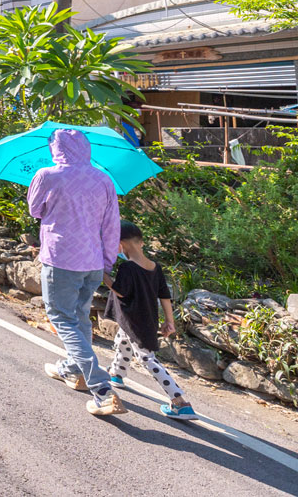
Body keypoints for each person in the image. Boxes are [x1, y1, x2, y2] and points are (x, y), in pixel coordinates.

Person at [27, 128, 124, 416]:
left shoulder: (47, 175)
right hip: (93, 260)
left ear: (57, 148)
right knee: (80, 315)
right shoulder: (103, 179)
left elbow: (35, 209)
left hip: (61, 259)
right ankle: (72, 369)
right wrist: (107, 262)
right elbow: (111, 225)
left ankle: (102, 388)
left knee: (61, 317)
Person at [103, 221, 197, 419]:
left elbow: (119, 291)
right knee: (122, 340)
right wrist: (169, 321)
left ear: (119, 244)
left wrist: (101, 274)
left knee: (146, 358)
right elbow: (164, 295)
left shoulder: (127, 268)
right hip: (145, 318)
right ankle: (116, 373)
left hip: (135, 321)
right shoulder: (155, 267)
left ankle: (180, 402)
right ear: (142, 242)